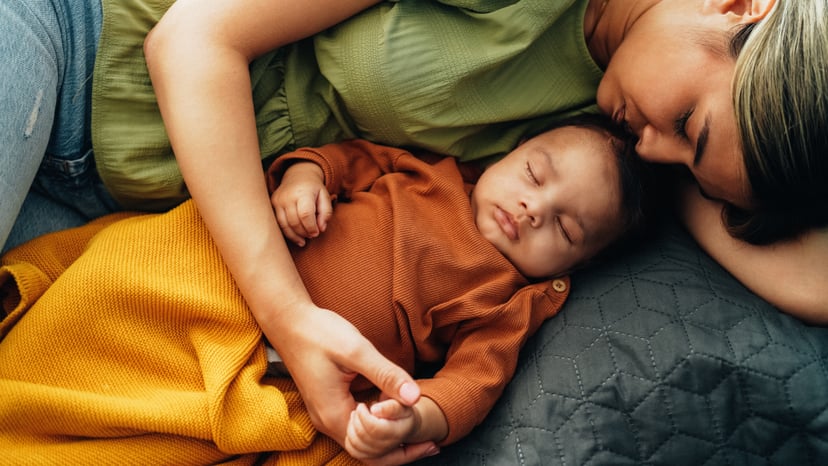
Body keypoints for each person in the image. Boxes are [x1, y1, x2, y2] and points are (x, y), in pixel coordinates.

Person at [2, 0, 826, 461]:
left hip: (120, 218)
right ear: (741, 3)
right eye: (688, 124)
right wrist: (292, 317)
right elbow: (193, 39)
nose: (659, 147)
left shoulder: (613, 151)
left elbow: (809, 279)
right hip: (71, 47)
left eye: (686, 162)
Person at [0, 116, 652, 463]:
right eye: (536, 174)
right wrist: (302, 181)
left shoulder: (506, 300)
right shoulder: (431, 172)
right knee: (112, 283)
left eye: (566, 228)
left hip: (270, 364)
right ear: (513, 151)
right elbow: (342, 159)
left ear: (573, 267)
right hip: (219, 271)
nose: (534, 209)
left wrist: (416, 414)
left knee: (160, 426)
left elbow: (475, 382)